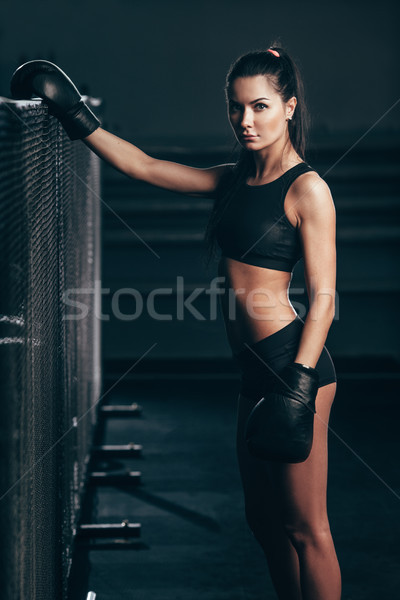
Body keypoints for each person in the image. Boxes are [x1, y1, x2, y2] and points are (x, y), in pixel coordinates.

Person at [10, 44, 341, 599]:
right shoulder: (233, 179)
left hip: (293, 368)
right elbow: (143, 165)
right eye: (236, 108)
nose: (246, 121)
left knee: (306, 529)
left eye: (259, 106)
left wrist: (300, 384)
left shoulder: (308, 189)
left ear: (288, 106)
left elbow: (325, 299)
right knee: (263, 523)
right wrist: (76, 116)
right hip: (253, 372)